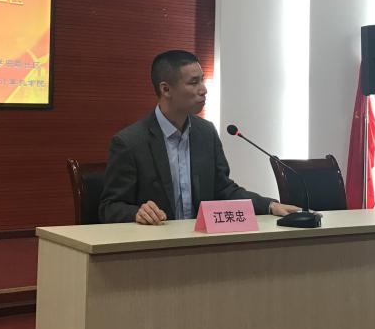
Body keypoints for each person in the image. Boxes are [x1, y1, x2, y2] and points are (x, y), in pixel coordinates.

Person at [99, 50, 302, 224]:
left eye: (202, 80)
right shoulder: (130, 142)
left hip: (201, 245)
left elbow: (223, 189)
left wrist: (269, 205)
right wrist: (137, 212)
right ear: (166, 89)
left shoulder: (206, 133)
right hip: (154, 247)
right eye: (194, 82)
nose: (203, 89)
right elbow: (109, 207)